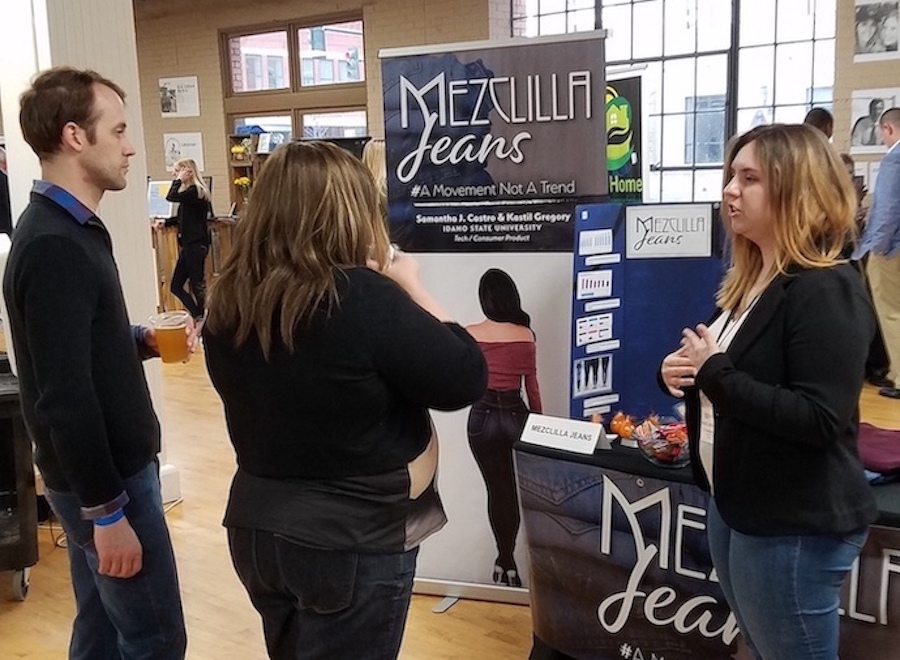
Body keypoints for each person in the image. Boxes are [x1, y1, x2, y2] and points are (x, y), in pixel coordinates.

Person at [203, 140, 486, 660]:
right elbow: (464, 376)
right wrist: (412, 286)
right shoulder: (358, 295)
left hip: (259, 528)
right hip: (347, 541)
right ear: (347, 211)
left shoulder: (230, 298)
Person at [660, 123, 878, 660]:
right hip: (738, 504)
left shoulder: (825, 287)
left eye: (749, 178)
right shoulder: (751, 279)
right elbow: (726, 375)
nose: (730, 190)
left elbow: (818, 417)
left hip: (793, 521)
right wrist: (681, 372)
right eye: (732, 175)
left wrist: (713, 373)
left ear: (796, 188)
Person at [3, 66, 189, 659]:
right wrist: (107, 514)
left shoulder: (69, 230)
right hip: (108, 484)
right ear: (75, 136)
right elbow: (63, 396)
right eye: (119, 130)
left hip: (101, 478)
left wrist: (140, 339)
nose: (131, 146)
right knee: (155, 639)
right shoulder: (54, 243)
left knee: (103, 631)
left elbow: (76, 349)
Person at [465, 268, 542, 588]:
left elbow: (466, 382)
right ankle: (511, 563)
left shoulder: (469, 333)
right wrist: (539, 423)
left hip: (481, 417)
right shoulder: (526, 335)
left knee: (495, 490)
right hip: (515, 416)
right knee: (513, 491)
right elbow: (533, 388)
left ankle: (503, 560)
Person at [853, 108, 900, 398]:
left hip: (891, 249)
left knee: (891, 312)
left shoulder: (894, 159)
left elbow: (887, 209)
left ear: (888, 129)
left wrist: (877, 248)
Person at [841, 153, 893, 388]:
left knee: (874, 310)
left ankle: (879, 365)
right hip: (843, 256)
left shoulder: (853, 192)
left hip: (858, 253)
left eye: (852, 174)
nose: (849, 178)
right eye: (846, 173)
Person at [155, 157, 212, 320]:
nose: (174, 174)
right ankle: (197, 315)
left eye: (178, 170)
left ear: (188, 172)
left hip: (196, 244)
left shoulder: (196, 192)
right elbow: (184, 218)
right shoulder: (189, 195)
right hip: (188, 244)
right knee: (176, 286)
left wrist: (179, 181)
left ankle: (203, 318)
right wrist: (165, 222)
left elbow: (170, 196)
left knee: (197, 284)